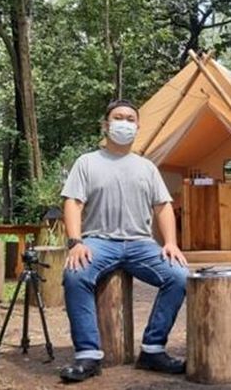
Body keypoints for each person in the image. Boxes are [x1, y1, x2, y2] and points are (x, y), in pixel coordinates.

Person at [59, 99, 189, 383]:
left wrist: (170, 242)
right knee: (75, 275)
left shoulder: (147, 167)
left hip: (142, 244)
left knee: (179, 275)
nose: (125, 123)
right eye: (118, 117)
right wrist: (75, 241)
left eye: (131, 119)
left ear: (138, 126)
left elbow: (163, 206)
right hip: (98, 241)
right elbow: (73, 203)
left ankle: (153, 350)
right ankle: (88, 355)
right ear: (106, 125)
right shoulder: (87, 162)